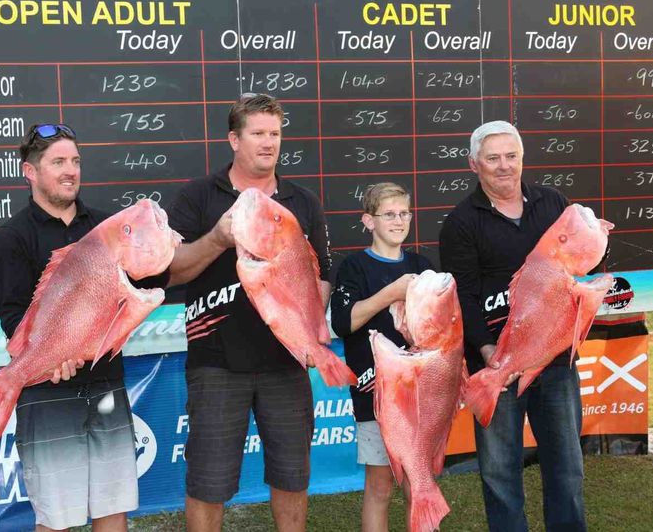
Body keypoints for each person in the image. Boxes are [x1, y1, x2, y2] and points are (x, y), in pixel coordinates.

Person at [0, 123, 165, 531]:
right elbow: (15, 321)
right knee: (57, 517)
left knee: (112, 507)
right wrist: (49, 361)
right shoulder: (9, 240)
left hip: (105, 384)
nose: (70, 170)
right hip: (47, 392)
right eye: (58, 162)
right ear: (30, 172)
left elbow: (148, 284)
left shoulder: (110, 229)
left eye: (76, 161)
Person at [167, 93, 331, 532]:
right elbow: (169, 272)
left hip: (286, 363)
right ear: (233, 140)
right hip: (216, 363)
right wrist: (217, 240)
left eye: (275, 133)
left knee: (292, 477)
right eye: (257, 133)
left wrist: (311, 328)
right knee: (208, 482)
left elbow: (322, 277)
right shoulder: (199, 197)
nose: (268, 143)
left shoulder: (303, 202)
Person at [439, 120, 588, 532]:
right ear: (474, 164)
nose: (503, 166)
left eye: (511, 156)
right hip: (496, 368)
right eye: (493, 158)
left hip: (555, 361)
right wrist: (491, 354)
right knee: (501, 475)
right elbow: (463, 298)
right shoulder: (460, 223)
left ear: (522, 158)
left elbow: (585, 261)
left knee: (567, 468)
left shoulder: (554, 203)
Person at [330, 182, 431, 532]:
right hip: (375, 396)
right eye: (388, 214)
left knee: (420, 484)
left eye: (404, 213)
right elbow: (343, 323)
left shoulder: (422, 264)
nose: (398, 220)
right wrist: (392, 292)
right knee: (380, 485)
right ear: (368, 221)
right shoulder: (354, 267)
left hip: (420, 395)